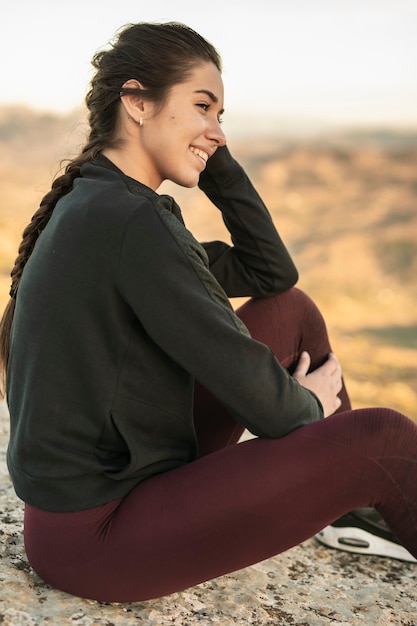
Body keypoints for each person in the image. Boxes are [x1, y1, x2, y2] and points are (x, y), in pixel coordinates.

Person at [0, 22, 416, 604]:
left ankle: (347, 512)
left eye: (222, 116)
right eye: (202, 106)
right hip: (97, 538)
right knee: (385, 439)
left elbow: (273, 276)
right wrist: (311, 405)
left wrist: (209, 152)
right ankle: (362, 494)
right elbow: (278, 413)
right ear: (137, 102)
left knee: (289, 310)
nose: (217, 130)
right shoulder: (130, 223)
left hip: (125, 480)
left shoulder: (106, 201)